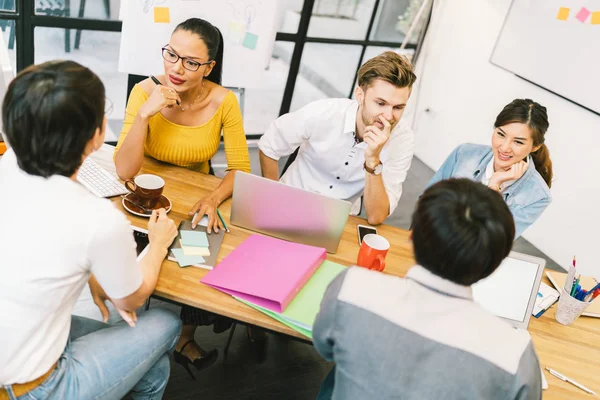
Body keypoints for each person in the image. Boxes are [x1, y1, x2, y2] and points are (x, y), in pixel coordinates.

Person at [0, 60, 181, 400]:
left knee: (154, 366)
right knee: (165, 323)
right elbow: (132, 298)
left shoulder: (6, 166)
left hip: (14, 343)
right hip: (33, 388)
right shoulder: (97, 218)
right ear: (97, 135)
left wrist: (93, 275)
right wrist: (157, 243)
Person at [313, 178, 542, 399]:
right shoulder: (515, 354)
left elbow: (324, 346)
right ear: (495, 265)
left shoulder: (351, 287)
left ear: (411, 236)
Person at [113, 18, 252, 376]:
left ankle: (183, 336)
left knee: (200, 269)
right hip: (143, 197)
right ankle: (133, 337)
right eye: (171, 55)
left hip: (194, 197)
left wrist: (214, 197)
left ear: (209, 67)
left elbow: (240, 168)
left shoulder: (225, 101)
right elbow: (125, 171)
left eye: (190, 62)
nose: (176, 68)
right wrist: (145, 114)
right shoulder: (145, 92)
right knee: (135, 264)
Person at [258, 51, 416, 225]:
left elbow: (376, 216)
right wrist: (273, 196)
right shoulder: (324, 112)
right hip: (289, 203)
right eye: (380, 103)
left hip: (339, 222)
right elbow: (269, 145)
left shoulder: (402, 140)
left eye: (398, 107)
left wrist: (372, 161)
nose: (388, 116)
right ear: (360, 94)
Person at [425, 98, 552, 238]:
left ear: (535, 147)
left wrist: (495, 184)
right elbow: (426, 203)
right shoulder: (464, 154)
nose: (504, 147)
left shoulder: (538, 196)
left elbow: (492, 240)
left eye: (518, 142)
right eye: (501, 134)